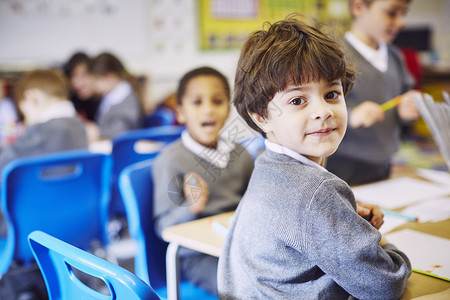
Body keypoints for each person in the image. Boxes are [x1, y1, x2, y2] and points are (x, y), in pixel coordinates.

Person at [217, 15, 411, 299]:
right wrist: (378, 243)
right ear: (261, 117)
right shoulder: (315, 191)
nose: (323, 111)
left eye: (332, 93)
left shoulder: (267, 165)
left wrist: (346, 224)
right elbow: (384, 284)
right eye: (298, 100)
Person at [153, 67, 254, 295]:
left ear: (228, 110)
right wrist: (191, 208)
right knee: (244, 289)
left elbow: (253, 206)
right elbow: (163, 228)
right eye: (197, 102)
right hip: (197, 258)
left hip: (239, 248)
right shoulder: (170, 161)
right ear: (180, 112)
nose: (208, 109)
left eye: (217, 101)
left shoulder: (241, 155)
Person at [326, 0, 420, 185]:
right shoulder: (334, 56)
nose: (401, 22)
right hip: (343, 166)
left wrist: (408, 111)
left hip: (384, 162)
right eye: (392, 13)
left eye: (404, 14)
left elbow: (405, 101)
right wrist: (352, 115)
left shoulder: (395, 56)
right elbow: (320, 108)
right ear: (358, 7)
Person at [0, 69, 88, 173]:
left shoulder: (42, 131)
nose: (26, 119)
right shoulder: (79, 126)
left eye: (24, 112)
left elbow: (4, 162)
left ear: (32, 97)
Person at [87, 52, 144, 141]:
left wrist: (98, 132)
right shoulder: (108, 96)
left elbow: (122, 130)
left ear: (111, 77)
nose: (95, 85)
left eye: (97, 80)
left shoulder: (126, 98)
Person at [63, 52, 100, 122]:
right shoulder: (70, 104)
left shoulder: (107, 102)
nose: (77, 83)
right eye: (72, 77)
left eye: (83, 75)